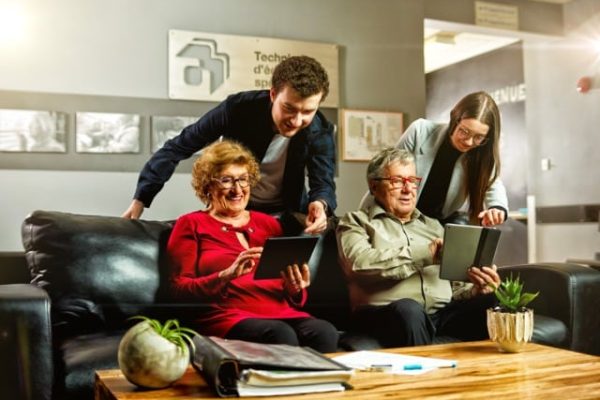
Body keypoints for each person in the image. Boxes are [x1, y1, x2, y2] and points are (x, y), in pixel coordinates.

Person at [123, 55, 336, 235]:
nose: (297, 121)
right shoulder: (237, 109)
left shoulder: (320, 129)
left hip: (286, 213)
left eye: (308, 111)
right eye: (289, 108)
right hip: (233, 208)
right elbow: (177, 148)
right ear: (273, 95)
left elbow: (323, 182)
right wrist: (141, 199)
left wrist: (320, 204)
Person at [168, 140, 339, 353]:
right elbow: (177, 290)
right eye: (226, 181)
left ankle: (319, 387)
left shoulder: (269, 224)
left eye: (243, 179)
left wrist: (295, 289)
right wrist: (225, 275)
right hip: (227, 316)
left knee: (325, 332)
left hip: (280, 311)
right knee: (280, 334)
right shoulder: (191, 224)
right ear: (207, 185)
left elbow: (287, 292)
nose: (237, 189)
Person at [337, 147, 500, 347]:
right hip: (385, 315)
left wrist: (477, 289)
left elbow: (456, 289)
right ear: (374, 186)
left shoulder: (434, 226)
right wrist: (425, 254)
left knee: (492, 301)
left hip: (438, 316)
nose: (407, 189)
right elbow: (359, 264)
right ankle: (426, 373)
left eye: (412, 181)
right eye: (397, 181)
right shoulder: (356, 222)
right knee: (409, 309)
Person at [360, 91, 507, 227]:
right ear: (454, 119)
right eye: (464, 131)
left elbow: (492, 182)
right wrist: (367, 218)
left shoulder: (481, 153)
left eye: (478, 137)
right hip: (397, 215)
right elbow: (388, 174)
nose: (469, 142)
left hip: (437, 222)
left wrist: (497, 208)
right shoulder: (420, 131)